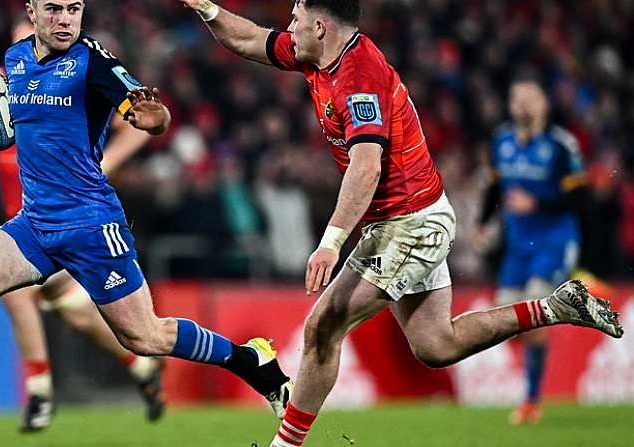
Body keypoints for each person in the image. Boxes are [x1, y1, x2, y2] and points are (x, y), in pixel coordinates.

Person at [177, 1, 623, 446]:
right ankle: (554, 308)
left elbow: (366, 167)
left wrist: (331, 242)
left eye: (294, 20)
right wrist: (207, 8)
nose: (287, 28)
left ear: (319, 25)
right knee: (436, 345)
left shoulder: (359, 78)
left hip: (409, 222)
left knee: (323, 326)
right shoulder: (316, 52)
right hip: (407, 218)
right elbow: (248, 39)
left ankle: (285, 446)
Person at [0, 1, 291, 446]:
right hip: (33, 224)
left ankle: (251, 361)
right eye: (53, 9)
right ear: (32, 12)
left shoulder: (92, 61)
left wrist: (154, 117)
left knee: (145, 337)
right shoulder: (14, 62)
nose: (65, 19)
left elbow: (150, 113)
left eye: (74, 9)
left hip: (91, 225)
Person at [0, 109, 166, 431]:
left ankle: (39, 393)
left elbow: (135, 126)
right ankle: (141, 365)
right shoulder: (3, 104)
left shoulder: (63, 98)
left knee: (18, 295)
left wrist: (105, 163)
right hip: (26, 233)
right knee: (75, 312)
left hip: (67, 225)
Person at [476, 76, 589, 425]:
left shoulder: (560, 145)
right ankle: (531, 387)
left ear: (543, 104)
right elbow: (495, 187)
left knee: (534, 312)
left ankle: (531, 401)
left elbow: (580, 197)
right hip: (517, 247)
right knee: (506, 318)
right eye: (516, 98)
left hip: (554, 242)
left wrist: (537, 202)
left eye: (529, 97)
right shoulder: (502, 142)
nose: (522, 104)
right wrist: (483, 223)